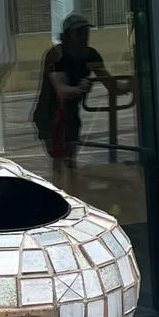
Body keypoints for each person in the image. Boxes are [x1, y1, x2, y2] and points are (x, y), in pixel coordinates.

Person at [32, 14, 113, 189]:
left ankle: (73, 195)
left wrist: (131, 85)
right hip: (50, 115)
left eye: (86, 32)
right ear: (68, 35)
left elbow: (109, 82)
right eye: (79, 32)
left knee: (70, 159)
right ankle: (61, 196)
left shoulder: (90, 54)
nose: (84, 36)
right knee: (60, 160)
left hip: (70, 114)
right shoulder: (57, 55)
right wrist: (80, 89)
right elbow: (61, 89)